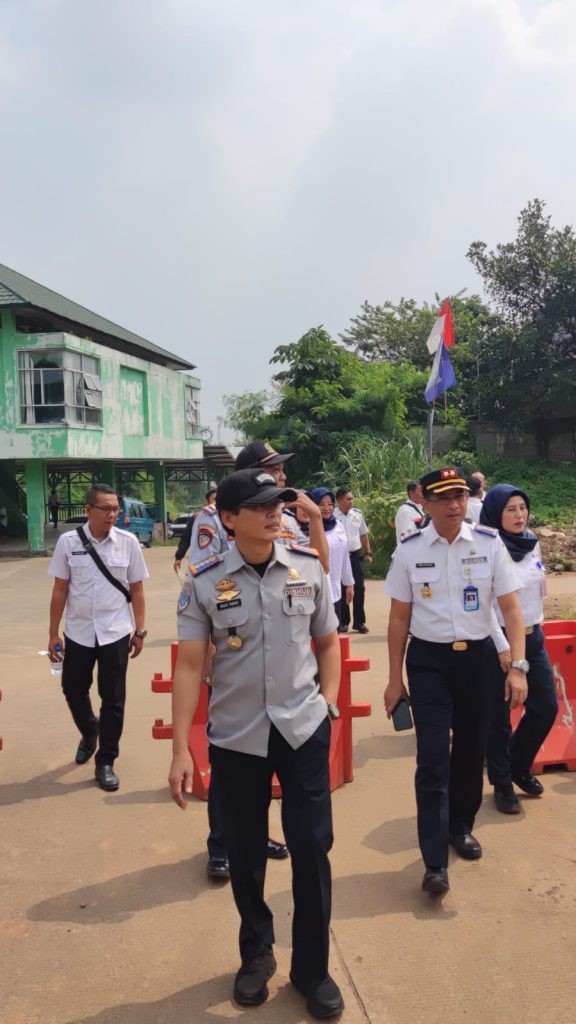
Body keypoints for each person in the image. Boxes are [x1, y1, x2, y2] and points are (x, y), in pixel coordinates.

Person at [169, 468, 344, 1019]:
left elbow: (328, 641)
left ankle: (312, 970)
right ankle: (257, 954)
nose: (276, 512)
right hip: (237, 736)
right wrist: (180, 748)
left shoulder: (308, 568)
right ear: (228, 517)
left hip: (302, 729)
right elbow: (191, 664)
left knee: (312, 848)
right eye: (261, 505)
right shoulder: (203, 579)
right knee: (245, 853)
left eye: (279, 504)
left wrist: (329, 705)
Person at [383, 466, 527, 896]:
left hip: (479, 661)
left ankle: (460, 827)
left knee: (469, 751)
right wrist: (394, 680)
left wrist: (517, 666)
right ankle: (433, 862)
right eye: (444, 498)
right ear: (424, 503)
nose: (454, 505)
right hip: (428, 663)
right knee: (431, 758)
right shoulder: (409, 550)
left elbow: (512, 611)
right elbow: (398, 620)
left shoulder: (488, 544)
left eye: (460, 496)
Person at [47, 483, 149, 792]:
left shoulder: (128, 543)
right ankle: (90, 730)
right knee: (72, 689)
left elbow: (137, 590)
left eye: (116, 508)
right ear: (89, 510)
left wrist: (140, 629)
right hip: (78, 631)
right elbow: (60, 589)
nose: (112, 514)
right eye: (105, 509)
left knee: (113, 699)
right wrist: (53, 632)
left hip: (115, 632)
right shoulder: (67, 543)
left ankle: (106, 760)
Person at [481, 484, 558, 814]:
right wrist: (503, 648)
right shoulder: (485, 547)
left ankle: (518, 765)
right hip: (497, 641)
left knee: (545, 706)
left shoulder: (532, 541)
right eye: (510, 509)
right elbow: (482, 604)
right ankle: (501, 784)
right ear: (496, 512)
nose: (519, 515)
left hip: (532, 636)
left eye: (522, 508)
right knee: (498, 717)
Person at [234, 441, 329, 573]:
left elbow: (320, 570)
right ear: (251, 475)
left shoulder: (287, 519)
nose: (283, 477)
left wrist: (316, 517)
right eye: (276, 470)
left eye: (282, 470)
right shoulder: (224, 517)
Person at [308, 487, 354, 621]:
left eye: (329, 504)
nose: (326, 508)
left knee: (336, 632)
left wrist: (349, 584)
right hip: (317, 593)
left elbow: (345, 557)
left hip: (336, 591)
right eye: (321, 504)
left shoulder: (338, 525)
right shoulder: (309, 528)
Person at [334, 486, 372, 634]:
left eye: (352, 498)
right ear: (339, 500)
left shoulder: (357, 514)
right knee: (342, 588)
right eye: (348, 499)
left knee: (359, 588)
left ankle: (359, 622)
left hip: (356, 555)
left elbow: (363, 534)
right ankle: (343, 622)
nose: (352, 501)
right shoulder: (332, 516)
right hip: (339, 556)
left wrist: (368, 552)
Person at [173, 489, 217, 574]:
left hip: (218, 566)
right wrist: (179, 557)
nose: (217, 502)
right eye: (214, 499)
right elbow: (186, 538)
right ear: (207, 502)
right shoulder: (197, 518)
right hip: (198, 566)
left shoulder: (227, 519)